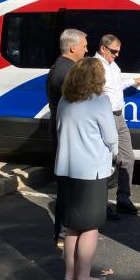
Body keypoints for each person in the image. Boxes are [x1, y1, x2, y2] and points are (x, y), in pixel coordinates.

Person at [55, 57, 118, 280]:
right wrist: (112, 155)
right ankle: (84, 278)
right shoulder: (100, 102)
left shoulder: (64, 100)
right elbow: (111, 138)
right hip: (91, 171)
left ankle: (69, 276)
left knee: (71, 226)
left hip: (66, 169)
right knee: (90, 227)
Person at [94, 34, 140, 217]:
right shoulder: (95, 66)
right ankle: (100, 204)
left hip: (119, 117)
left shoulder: (112, 65)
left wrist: (133, 81)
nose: (117, 55)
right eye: (114, 51)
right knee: (104, 161)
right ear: (103, 48)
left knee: (127, 158)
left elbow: (116, 86)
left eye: (118, 52)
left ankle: (123, 199)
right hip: (105, 116)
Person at [46, 28, 88, 245]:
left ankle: (63, 232)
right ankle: (64, 233)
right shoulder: (67, 72)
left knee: (67, 185)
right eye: (84, 46)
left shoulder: (61, 66)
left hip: (62, 132)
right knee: (68, 186)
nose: (87, 49)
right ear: (73, 47)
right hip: (68, 136)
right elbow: (76, 107)